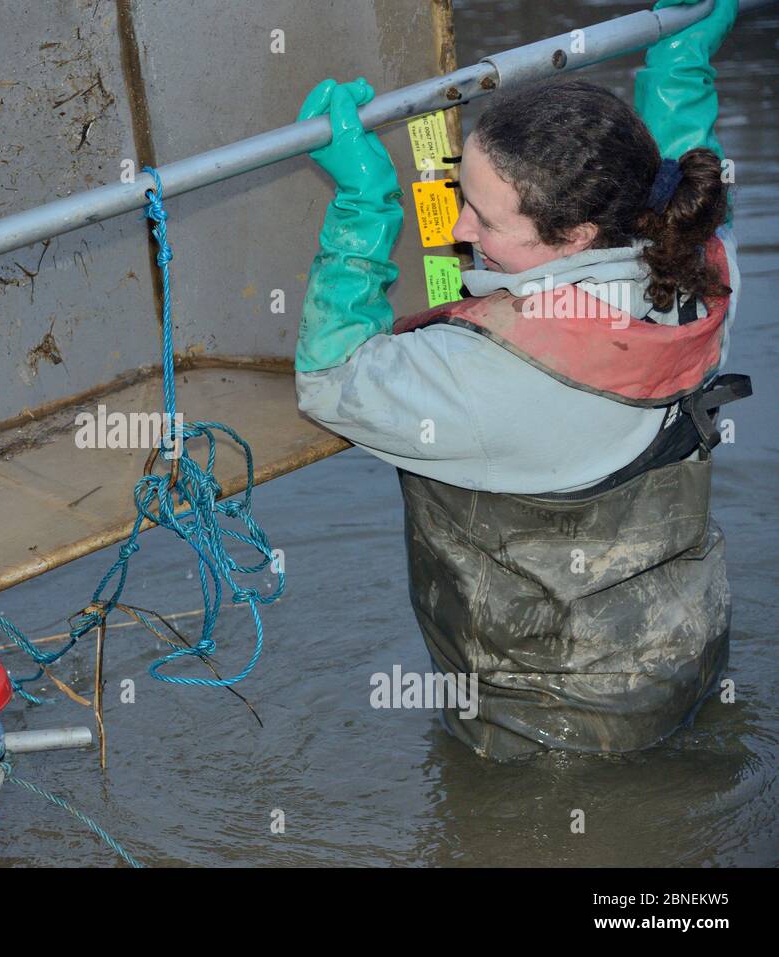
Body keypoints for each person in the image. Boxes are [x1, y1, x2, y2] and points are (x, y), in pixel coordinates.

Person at [294, 0, 749, 759]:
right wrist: (680, 71)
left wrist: (363, 209)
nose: (456, 229)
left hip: (546, 738)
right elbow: (685, 181)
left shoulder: (486, 376)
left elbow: (331, 377)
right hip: (685, 658)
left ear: (574, 237)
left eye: (483, 216)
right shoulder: (705, 278)